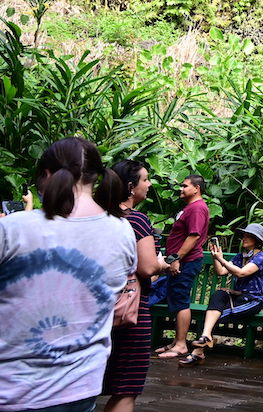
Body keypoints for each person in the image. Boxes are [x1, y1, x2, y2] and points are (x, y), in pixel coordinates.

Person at [0, 137, 136, 412]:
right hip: (81, 387)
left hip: (13, 390)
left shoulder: (14, 229)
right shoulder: (122, 232)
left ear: (47, 175)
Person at [102, 160, 168, 412]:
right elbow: (147, 268)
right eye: (145, 179)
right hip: (131, 311)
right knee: (126, 387)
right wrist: (162, 263)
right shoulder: (137, 221)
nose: (149, 184)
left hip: (99, 307)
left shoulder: (100, 217)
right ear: (131, 187)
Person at [177, 223, 263, 366]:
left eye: (248, 236)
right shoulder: (240, 256)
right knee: (219, 294)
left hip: (253, 301)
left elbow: (241, 272)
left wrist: (222, 259)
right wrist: (216, 257)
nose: (244, 238)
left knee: (213, 316)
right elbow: (221, 272)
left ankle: (197, 353)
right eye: (243, 235)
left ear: (257, 240)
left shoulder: (261, 257)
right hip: (238, 297)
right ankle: (205, 339)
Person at [154, 174, 210, 360]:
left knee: (181, 300)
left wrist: (177, 258)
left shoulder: (197, 209)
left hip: (186, 261)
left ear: (197, 188)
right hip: (180, 260)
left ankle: (180, 345)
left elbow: (194, 236)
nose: (181, 189)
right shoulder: (190, 208)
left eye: (185, 186)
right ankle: (176, 341)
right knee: (176, 298)